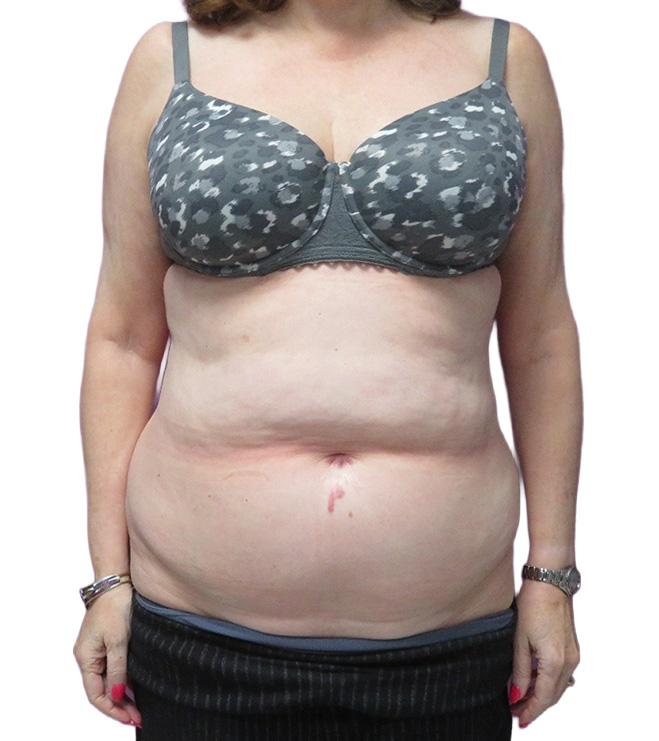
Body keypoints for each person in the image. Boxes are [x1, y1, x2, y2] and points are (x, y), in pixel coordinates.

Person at [73, 0, 582, 738]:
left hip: (447, 646)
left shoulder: (506, 60)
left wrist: (552, 575)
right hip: (197, 639)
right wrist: (107, 579)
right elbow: (122, 338)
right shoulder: (169, 60)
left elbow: (540, 336)